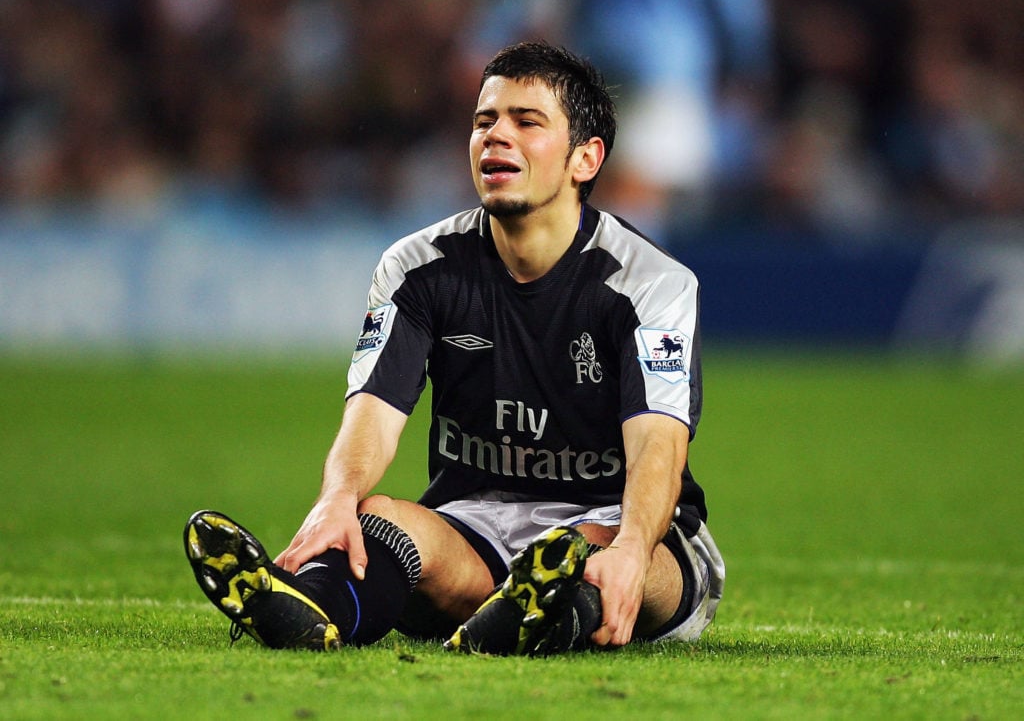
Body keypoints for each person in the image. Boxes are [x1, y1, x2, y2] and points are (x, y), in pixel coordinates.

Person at [184, 42, 725, 655]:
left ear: (584, 158)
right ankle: (306, 610)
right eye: (484, 120)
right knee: (379, 521)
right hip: (475, 524)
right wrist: (337, 497)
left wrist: (630, 546)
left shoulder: (652, 283)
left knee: (593, 561)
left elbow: (659, 442)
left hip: (620, 526)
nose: (496, 137)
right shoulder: (417, 268)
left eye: (527, 122)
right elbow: (374, 413)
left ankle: (551, 605)